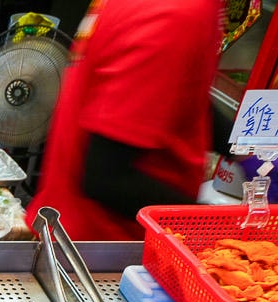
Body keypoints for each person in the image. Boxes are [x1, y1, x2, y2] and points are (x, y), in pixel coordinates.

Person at [25, 0, 224, 240]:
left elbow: (176, 92)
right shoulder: (175, 15)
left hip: (72, 225)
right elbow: (107, 178)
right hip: (103, 251)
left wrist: (246, 150)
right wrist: (215, 229)